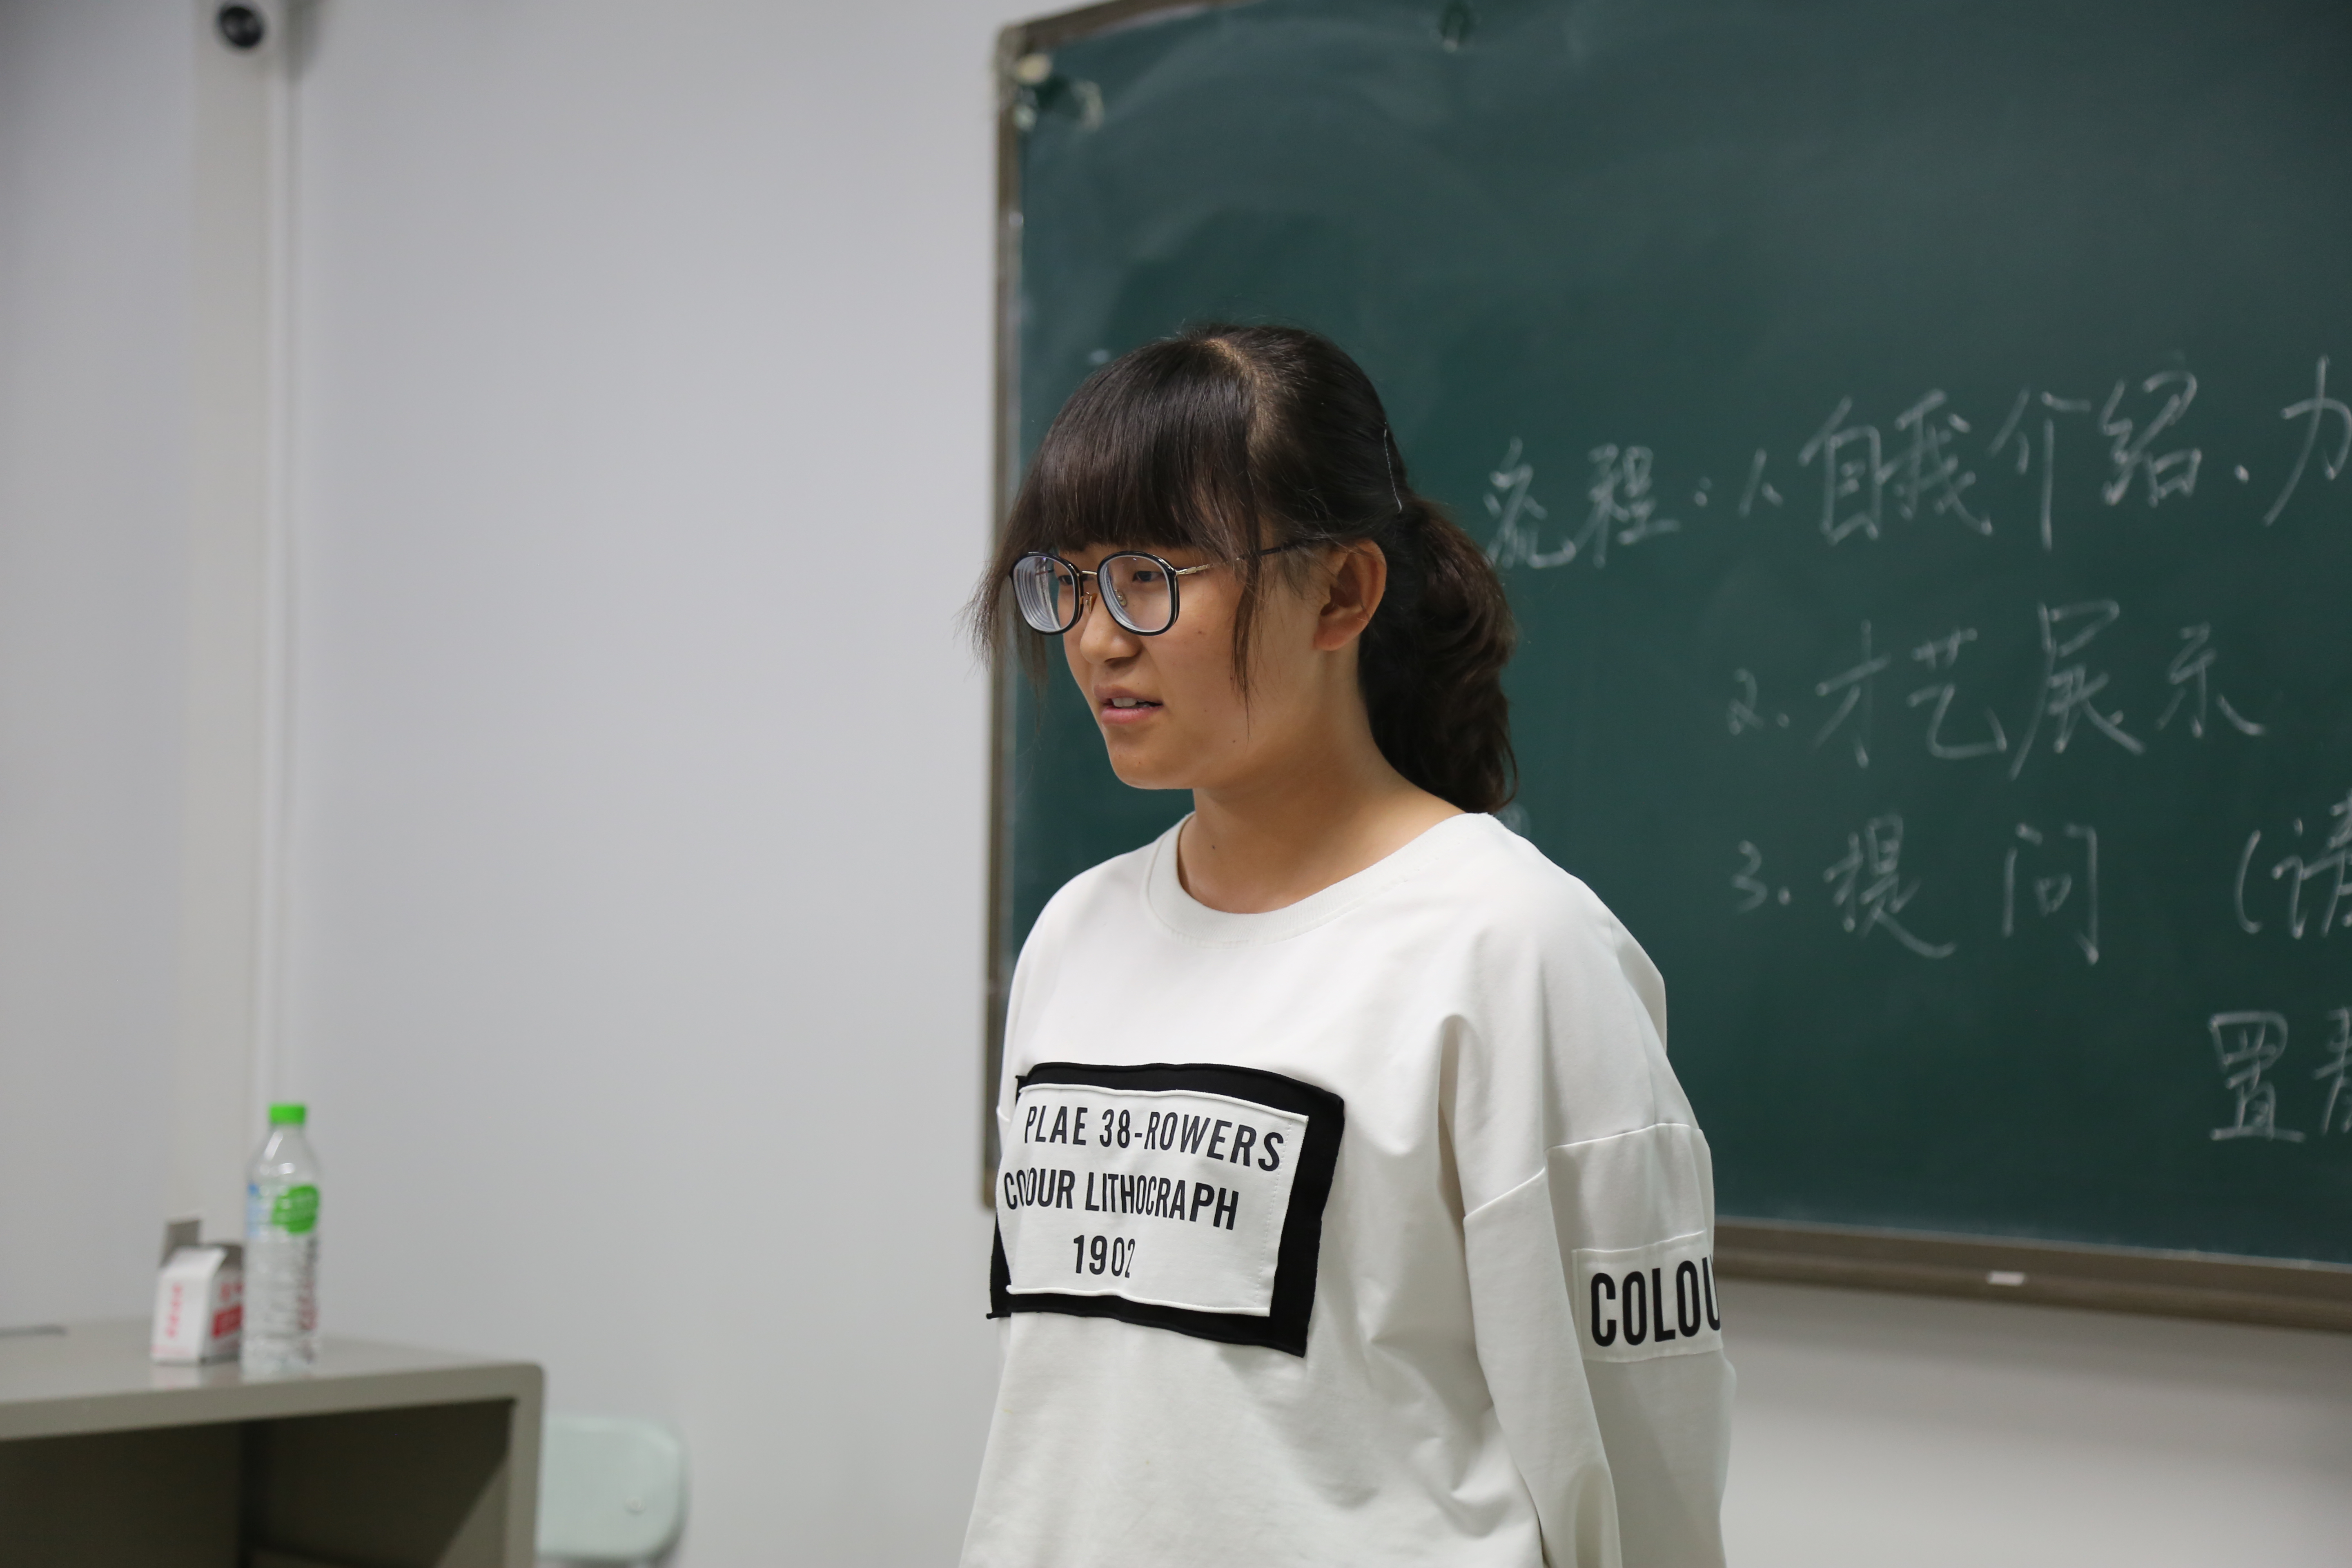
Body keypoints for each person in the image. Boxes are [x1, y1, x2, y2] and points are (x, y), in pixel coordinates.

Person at [962, 324, 1731, 1567]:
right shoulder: (1075, 936)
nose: (1098, 637)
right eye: (1070, 578)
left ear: (1341, 594)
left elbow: (1642, 1470)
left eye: (1151, 574)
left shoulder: (1513, 947)